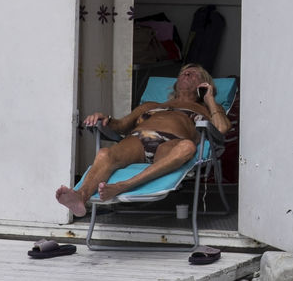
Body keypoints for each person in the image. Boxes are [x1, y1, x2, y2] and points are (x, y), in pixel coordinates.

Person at [54, 63, 232, 217]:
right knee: (105, 154)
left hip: (172, 142)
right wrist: (105, 118)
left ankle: (123, 185)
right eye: (184, 72)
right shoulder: (150, 105)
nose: (187, 74)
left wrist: (209, 99)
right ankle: (81, 196)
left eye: (194, 73)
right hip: (138, 139)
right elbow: (121, 125)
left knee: (187, 147)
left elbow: (222, 129)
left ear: (204, 84)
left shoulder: (205, 109)